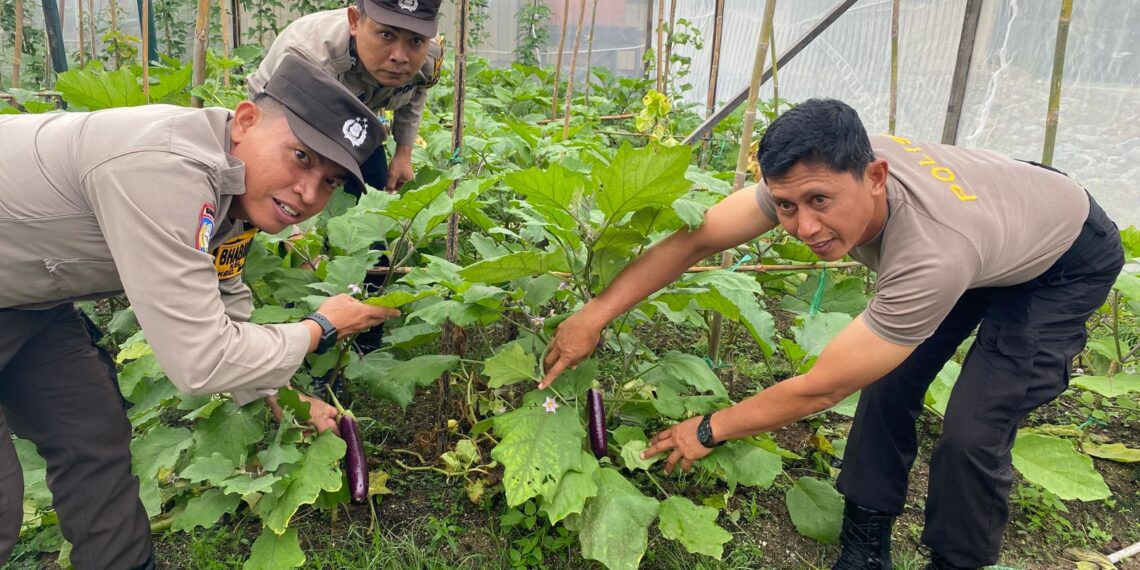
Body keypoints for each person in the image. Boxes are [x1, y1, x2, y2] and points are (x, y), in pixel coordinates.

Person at [538, 99, 1124, 569]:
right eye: (786, 206)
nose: (805, 227)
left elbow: (823, 388)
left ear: (875, 177)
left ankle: (957, 560)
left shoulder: (932, 255)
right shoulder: (812, 171)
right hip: (994, 225)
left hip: (1061, 261)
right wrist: (595, 313)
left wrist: (710, 428)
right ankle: (866, 542)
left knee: (974, 428)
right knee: (889, 381)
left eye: (819, 202)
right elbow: (699, 239)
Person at [0, 54, 402, 569]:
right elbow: (200, 358)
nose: (308, 192)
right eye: (301, 157)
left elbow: (223, 292)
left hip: (25, 296)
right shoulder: (165, 169)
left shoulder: (233, 186)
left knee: (90, 435)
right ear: (246, 121)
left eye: (330, 181)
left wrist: (279, 393)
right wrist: (320, 327)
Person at [248, 0, 444, 193]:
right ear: (354, 21)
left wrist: (403, 154)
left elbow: (417, 87)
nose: (400, 57)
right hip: (283, 110)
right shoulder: (308, 56)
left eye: (415, 40)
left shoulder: (428, 54)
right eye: (386, 35)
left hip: (358, 113)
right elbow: (284, 132)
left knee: (372, 185)